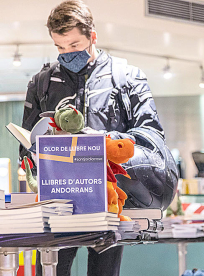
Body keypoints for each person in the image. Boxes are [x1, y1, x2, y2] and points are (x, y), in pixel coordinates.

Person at [19, 1, 172, 275]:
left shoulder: (128, 78)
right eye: (60, 47)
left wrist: (104, 141)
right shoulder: (41, 83)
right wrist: (32, 157)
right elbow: (26, 144)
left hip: (109, 200)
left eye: (75, 46)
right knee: (50, 271)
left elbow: (152, 137)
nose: (67, 54)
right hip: (58, 202)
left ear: (93, 37)